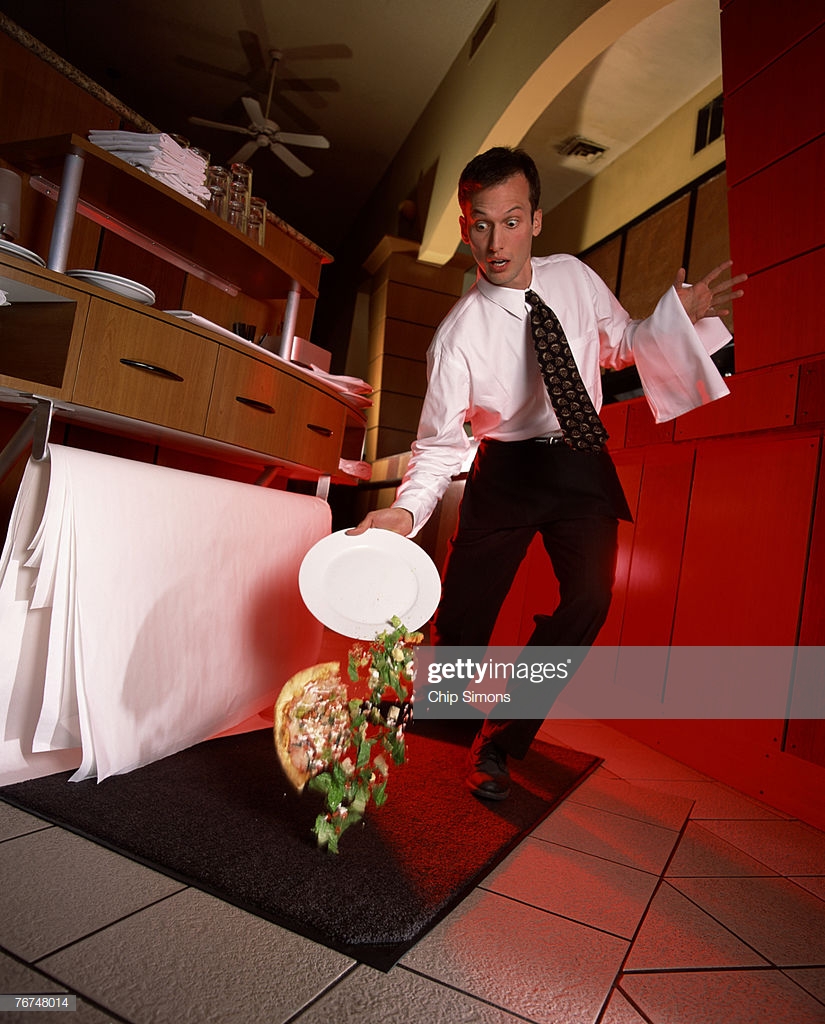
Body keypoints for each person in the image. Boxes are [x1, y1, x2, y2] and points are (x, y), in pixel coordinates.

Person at [350, 146, 745, 800]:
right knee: (464, 619)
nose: (495, 241)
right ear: (464, 228)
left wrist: (675, 317)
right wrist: (407, 510)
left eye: (510, 221)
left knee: (589, 599)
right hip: (506, 469)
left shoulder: (573, 278)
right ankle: (441, 712)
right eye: (481, 224)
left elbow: (619, 344)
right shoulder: (456, 337)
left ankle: (502, 739)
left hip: (579, 457)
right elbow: (441, 446)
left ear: (534, 220)